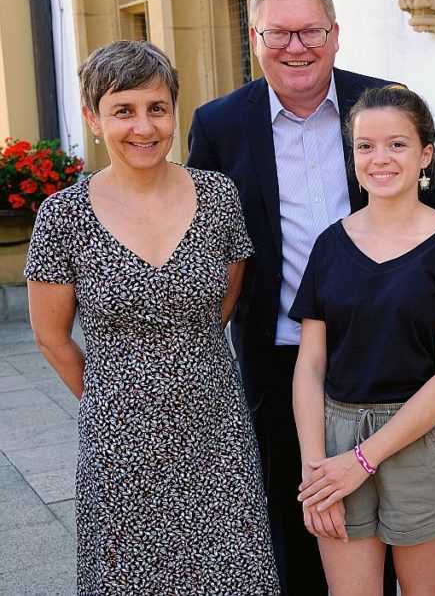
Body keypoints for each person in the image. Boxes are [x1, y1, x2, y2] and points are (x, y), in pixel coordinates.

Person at [187, 0, 435, 594]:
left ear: (335, 34)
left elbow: (433, 219)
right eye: (279, 34)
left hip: (385, 350)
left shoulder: (383, 105)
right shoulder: (219, 125)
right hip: (279, 353)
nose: (296, 48)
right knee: (299, 509)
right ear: (254, 38)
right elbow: (200, 240)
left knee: (396, 517)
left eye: (310, 31)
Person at [24, 40, 278, 594]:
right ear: (93, 119)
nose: (143, 127)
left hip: (215, 433)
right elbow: (50, 338)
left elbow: (223, 301)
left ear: (174, 113)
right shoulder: (63, 216)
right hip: (120, 444)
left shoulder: (217, 197)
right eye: (123, 110)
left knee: (232, 574)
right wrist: (114, 399)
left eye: (156, 108)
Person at [289, 85, 435, 595]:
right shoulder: (330, 245)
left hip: (421, 437)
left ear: (425, 154)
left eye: (397, 144)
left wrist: (364, 460)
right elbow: (311, 364)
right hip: (335, 437)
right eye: (365, 145)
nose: (380, 158)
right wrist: (316, 469)